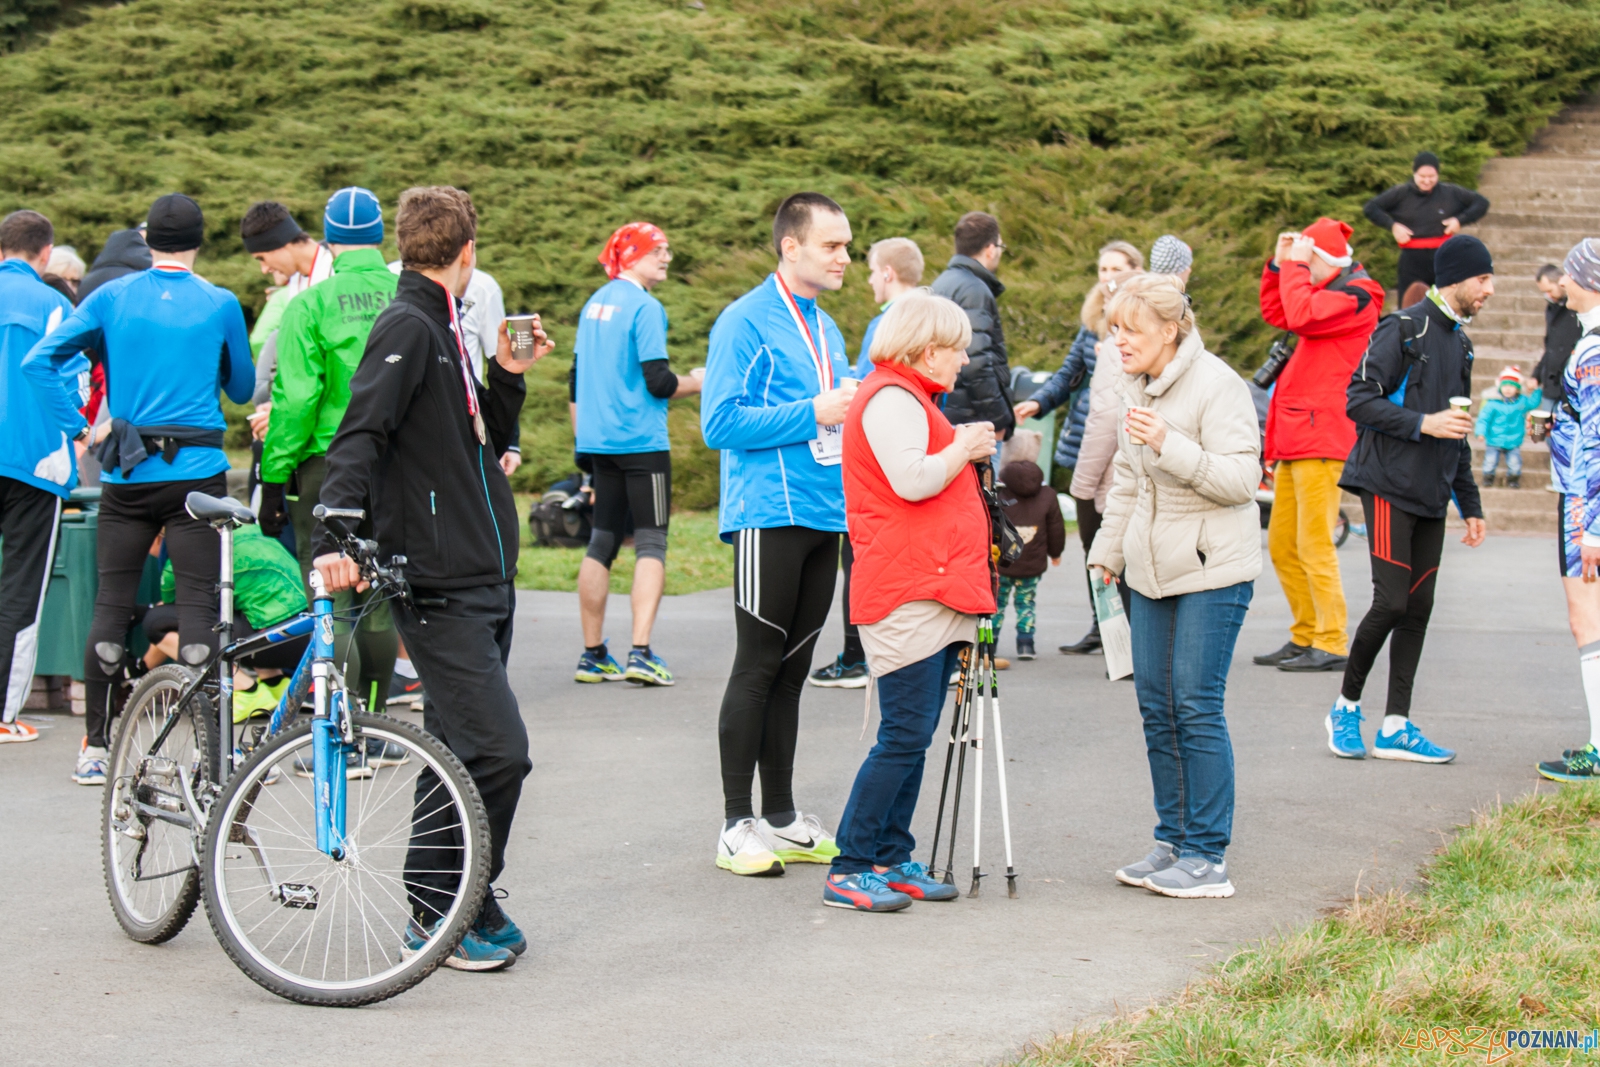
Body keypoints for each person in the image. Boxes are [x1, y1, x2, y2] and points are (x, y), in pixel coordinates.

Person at [312, 185, 552, 971]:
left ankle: (446, 900)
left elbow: (480, 440)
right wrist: (336, 528)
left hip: (483, 572)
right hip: (440, 579)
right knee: (498, 750)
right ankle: (448, 902)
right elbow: (362, 427)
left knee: (455, 746)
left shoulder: (447, 325)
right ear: (468, 253)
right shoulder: (409, 322)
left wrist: (508, 374)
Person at [24, 193, 255, 785]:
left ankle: (97, 748)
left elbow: (40, 361)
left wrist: (79, 425)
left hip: (127, 473)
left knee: (110, 604)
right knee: (203, 605)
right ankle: (213, 754)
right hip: (197, 477)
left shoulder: (109, 297)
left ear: (148, 240)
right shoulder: (221, 302)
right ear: (200, 241)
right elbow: (242, 387)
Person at [1088, 272, 1261, 900]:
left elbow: (1244, 481)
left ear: (1171, 329)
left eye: (1130, 330)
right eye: (1114, 330)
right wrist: (1106, 555)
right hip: (1150, 573)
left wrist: (1171, 443)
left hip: (1213, 570)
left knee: (1195, 705)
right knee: (1156, 707)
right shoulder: (1135, 383)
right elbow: (1129, 484)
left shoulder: (1218, 385)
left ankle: (1207, 855)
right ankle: (1172, 839)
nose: (1119, 341)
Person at [824, 290, 997, 912]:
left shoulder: (907, 397)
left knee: (914, 733)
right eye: (957, 351)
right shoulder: (892, 397)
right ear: (929, 350)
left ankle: (890, 855)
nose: (963, 363)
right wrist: (965, 448)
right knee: (902, 733)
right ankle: (850, 865)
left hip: (930, 583)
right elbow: (912, 479)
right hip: (908, 590)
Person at [700, 191, 856, 878]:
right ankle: (737, 822)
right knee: (757, 666)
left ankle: (784, 815)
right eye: (832, 245)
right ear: (791, 247)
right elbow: (720, 424)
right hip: (768, 511)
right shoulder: (743, 321)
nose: (845, 257)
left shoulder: (827, 327)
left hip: (826, 511)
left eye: (848, 245)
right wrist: (814, 410)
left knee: (795, 671)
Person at [1328, 235, 1492, 764]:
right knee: (1392, 601)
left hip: (1433, 492)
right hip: (1387, 483)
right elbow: (1358, 400)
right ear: (1457, 278)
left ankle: (1395, 725)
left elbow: (1457, 430)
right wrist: (1425, 423)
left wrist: (1471, 505)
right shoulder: (1402, 327)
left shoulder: (1463, 343)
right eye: (1484, 279)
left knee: (1418, 608)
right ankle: (1345, 708)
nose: (1490, 290)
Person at [255, 187, 401, 719]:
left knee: (332, 598)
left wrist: (273, 478)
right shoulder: (411, 294)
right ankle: (381, 722)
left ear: (329, 237)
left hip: (327, 465)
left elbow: (295, 400)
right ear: (381, 236)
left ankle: (345, 729)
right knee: (379, 600)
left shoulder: (309, 305)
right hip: (397, 465)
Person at [570, 221, 703, 686]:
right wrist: (701, 381)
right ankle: (641, 653)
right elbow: (660, 382)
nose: (666, 257)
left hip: (599, 442)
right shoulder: (646, 307)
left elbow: (575, 379)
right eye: (656, 250)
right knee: (651, 542)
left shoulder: (594, 304)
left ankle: (592, 654)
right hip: (642, 441)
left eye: (668, 249)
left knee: (601, 542)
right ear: (629, 256)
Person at [1253, 218, 1386, 674]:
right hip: (1297, 433)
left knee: (1313, 543)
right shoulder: (1322, 290)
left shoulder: (1361, 294)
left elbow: (1302, 313)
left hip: (1322, 435)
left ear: (1324, 262)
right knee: (1283, 545)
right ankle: (1306, 633)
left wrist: (1296, 266)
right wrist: (1279, 264)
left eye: (1308, 264)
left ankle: (1331, 640)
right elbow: (1281, 312)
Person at [1015, 241, 1142, 654]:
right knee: (1093, 544)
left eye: (1118, 269)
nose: (1108, 277)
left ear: (1136, 273)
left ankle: (1131, 632)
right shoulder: (1092, 323)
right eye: (1103, 269)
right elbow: (1069, 373)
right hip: (1086, 444)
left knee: (1125, 544)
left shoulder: (1143, 325)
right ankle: (1101, 626)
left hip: (1125, 449)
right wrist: (1039, 402)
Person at [812, 236, 923, 690]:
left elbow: (865, 389)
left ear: (888, 274)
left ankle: (857, 656)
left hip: (880, 459)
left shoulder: (891, 324)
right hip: (916, 452)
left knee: (857, 557)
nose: (870, 279)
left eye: (873, 271)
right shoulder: (930, 315)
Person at [0, 210, 74, 743]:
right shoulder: (53, 304)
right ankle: (3, 715)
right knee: (20, 593)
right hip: (34, 463)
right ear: (44, 254)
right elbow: (70, 383)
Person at [1539, 238, 1600, 782]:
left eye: (1572, 274)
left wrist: (1594, 531)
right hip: (1584, 493)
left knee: (1589, 621)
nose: (1564, 282)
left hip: (1586, 501)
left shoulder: (1594, 349)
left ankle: (1599, 749)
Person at [1363, 151, 1491, 302]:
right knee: (1408, 307)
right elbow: (1370, 208)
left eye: (1431, 177)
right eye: (1422, 176)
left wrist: (1459, 220)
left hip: (1443, 257)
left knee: (1446, 305)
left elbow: (1482, 203)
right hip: (1412, 261)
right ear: (1414, 174)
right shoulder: (1401, 193)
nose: (1427, 181)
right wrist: (1393, 226)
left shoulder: (1450, 192)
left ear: (1438, 175)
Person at [931, 211, 1014, 441]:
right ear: (990, 248)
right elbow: (975, 363)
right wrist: (998, 419)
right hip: (972, 422)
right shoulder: (974, 290)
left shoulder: (941, 283)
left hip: (946, 413)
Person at [993, 458, 1065, 660]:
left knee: (996, 604)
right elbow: (1056, 527)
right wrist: (1056, 552)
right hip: (1032, 564)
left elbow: (990, 525)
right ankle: (1026, 645)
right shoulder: (1048, 496)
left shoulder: (999, 495)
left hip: (1002, 564)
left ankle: (990, 644)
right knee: (1026, 603)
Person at [241, 199, 334, 298]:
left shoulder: (338, 270)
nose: (264, 270)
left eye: (262, 258)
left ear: (280, 242)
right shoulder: (296, 280)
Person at [1475, 367, 1541, 488]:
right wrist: (1480, 432)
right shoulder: (1492, 403)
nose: (1508, 389)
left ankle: (1513, 479)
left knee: (1514, 462)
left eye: (1512, 386)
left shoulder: (1522, 402)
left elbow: (1533, 403)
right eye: (1505, 386)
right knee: (1490, 461)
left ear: (1517, 389)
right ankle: (1488, 477)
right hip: (1494, 439)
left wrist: (1536, 391)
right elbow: (1483, 419)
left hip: (1514, 439)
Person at [1533, 263, 1581, 405]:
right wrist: (1537, 375)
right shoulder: (1551, 309)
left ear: (1560, 281)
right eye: (1544, 292)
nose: (1548, 296)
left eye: (1549, 290)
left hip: (1571, 384)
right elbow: (1550, 347)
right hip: (1551, 385)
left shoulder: (1577, 307)